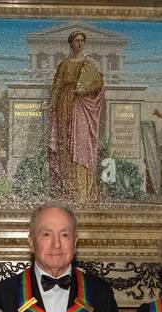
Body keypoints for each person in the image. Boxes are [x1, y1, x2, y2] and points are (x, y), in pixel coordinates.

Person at [47, 31, 104, 201]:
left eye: (82, 41)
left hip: (81, 106)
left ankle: (82, 190)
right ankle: (67, 189)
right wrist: (51, 103)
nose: (79, 44)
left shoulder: (90, 63)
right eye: (76, 41)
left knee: (80, 145)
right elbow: (57, 85)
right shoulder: (64, 64)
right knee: (65, 143)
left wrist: (84, 90)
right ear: (70, 43)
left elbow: (98, 84)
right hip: (65, 104)